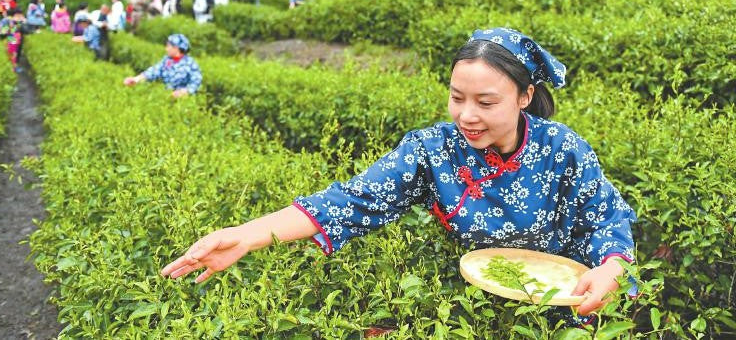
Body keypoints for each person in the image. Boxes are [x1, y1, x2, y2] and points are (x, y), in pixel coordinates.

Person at [161, 27, 637, 322]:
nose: (466, 115)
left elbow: (607, 219)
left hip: (571, 298)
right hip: (478, 302)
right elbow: (351, 200)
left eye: (486, 102)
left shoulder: (562, 148)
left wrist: (612, 269)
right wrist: (247, 236)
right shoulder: (432, 150)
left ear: (525, 97)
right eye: (456, 97)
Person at [123, 34, 202, 98]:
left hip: (184, 102)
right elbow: (153, 71)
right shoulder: (167, 60)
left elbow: (196, 81)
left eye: (168, 46)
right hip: (167, 96)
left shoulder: (190, 63)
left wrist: (185, 91)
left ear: (176, 48)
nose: (166, 49)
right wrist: (136, 79)